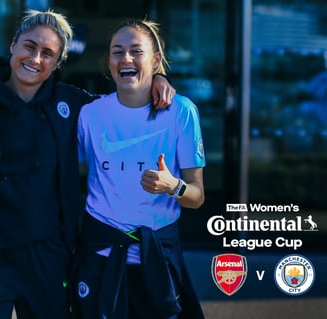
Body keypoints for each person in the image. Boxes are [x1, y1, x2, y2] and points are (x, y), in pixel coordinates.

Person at [0, 9, 175, 319]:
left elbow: (123, 104)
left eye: (48, 53)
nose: (36, 58)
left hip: (46, 255)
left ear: (57, 63)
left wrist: (157, 78)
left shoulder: (70, 104)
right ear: (13, 46)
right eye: (29, 46)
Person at [73, 19, 206, 318]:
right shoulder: (90, 114)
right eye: (117, 52)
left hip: (157, 260)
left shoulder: (182, 112)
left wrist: (173, 186)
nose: (126, 59)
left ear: (156, 59)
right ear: (108, 62)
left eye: (136, 51)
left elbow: (197, 197)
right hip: (100, 257)